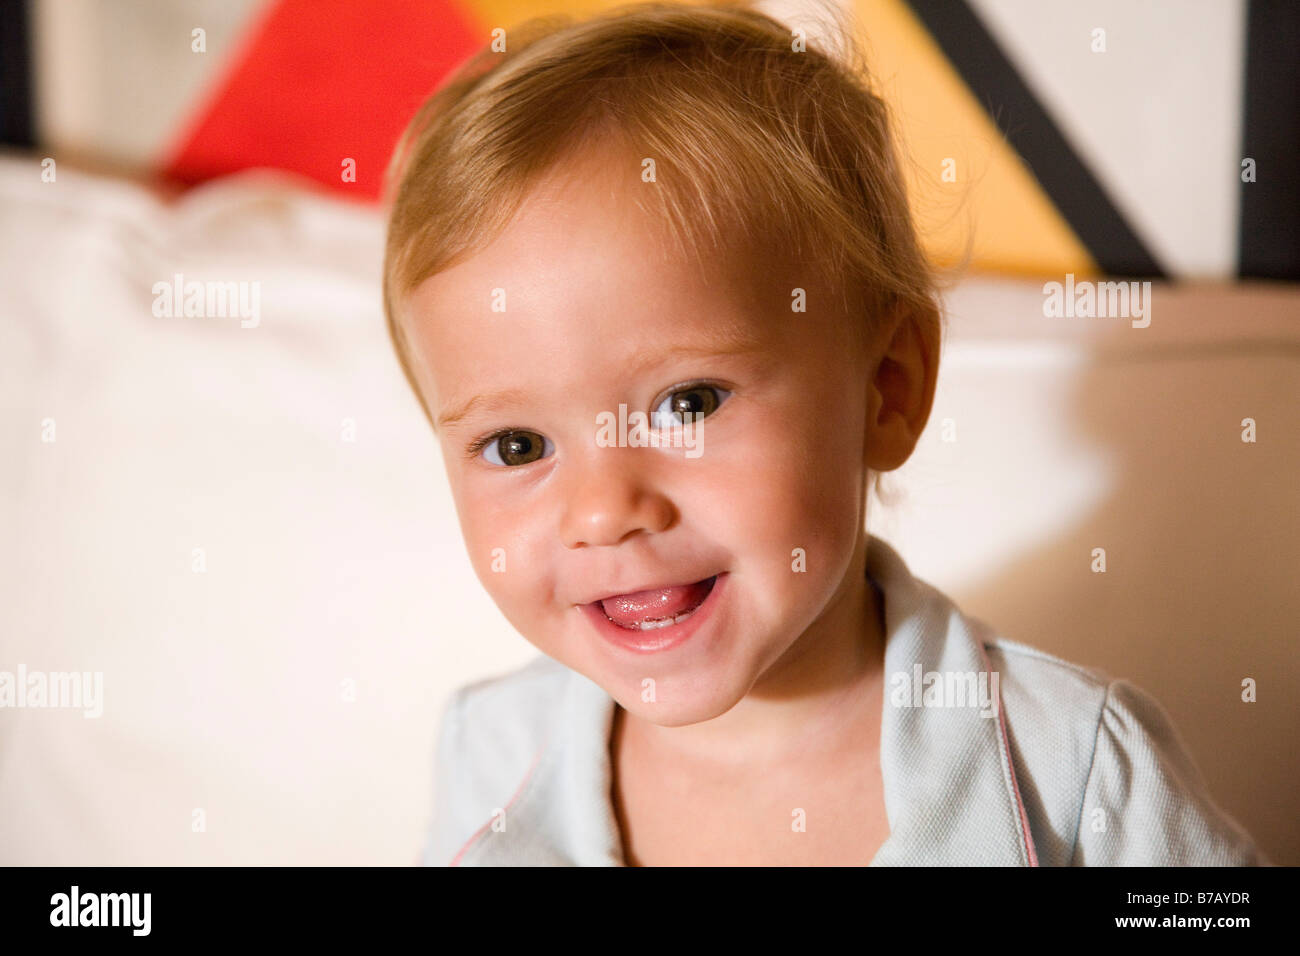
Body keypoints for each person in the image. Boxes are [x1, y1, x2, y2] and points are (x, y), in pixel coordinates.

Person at [380, 1, 1265, 866]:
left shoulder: (1073, 771)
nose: (605, 511)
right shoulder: (488, 759)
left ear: (888, 388)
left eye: (688, 404)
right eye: (519, 446)